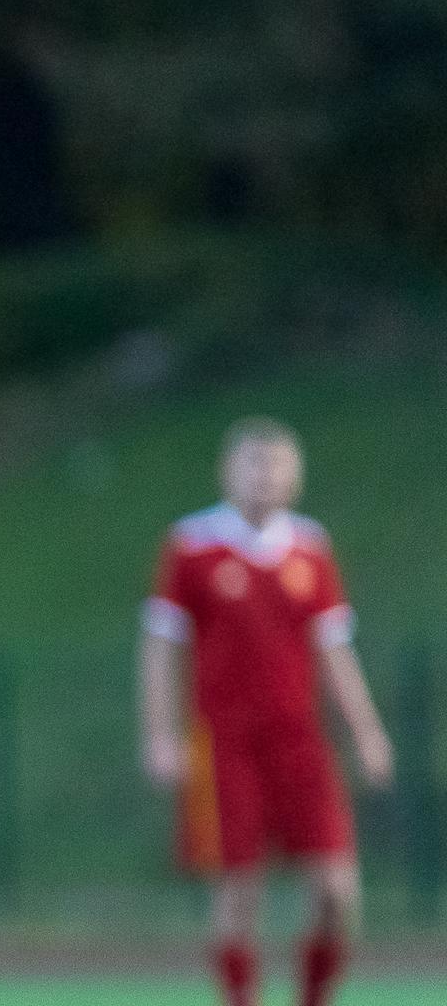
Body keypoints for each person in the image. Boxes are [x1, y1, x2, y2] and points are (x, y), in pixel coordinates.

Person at [138, 418, 393, 1006]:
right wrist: (161, 735)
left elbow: (334, 650)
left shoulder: (310, 547)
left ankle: (313, 996)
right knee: (238, 890)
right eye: (252, 463)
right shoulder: (192, 545)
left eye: (276, 465)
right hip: (225, 741)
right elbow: (160, 646)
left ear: (295, 476)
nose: (264, 476)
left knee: (337, 892)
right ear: (227, 472)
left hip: (300, 740)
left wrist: (367, 732)